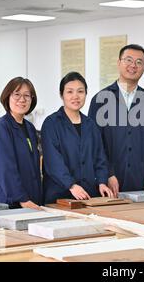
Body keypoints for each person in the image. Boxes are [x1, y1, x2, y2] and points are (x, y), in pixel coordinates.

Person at [88, 44, 144, 196]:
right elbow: (95, 143)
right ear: (118, 63)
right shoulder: (100, 100)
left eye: (139, 62)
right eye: (128, 60)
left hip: (142, 183)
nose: (133, 65)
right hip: (109, 184)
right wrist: (107, 174)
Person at [41, 72, 113, 203]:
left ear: (86, 94)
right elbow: (53, 162)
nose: (75, 96)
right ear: (61, 94)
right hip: (59, 195)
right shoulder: (51, 123)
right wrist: (71, 185)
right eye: (69, 92)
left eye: (80, 91)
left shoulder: (90, 125)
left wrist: (102, 182)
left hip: (88, 194)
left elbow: (100, 158)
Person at [0, 77, 42, 209]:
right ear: (7, 96)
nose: (22, 99)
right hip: (7, 203)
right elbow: (4, 169)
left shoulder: (30, 128)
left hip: (29, 202)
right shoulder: (1, 128)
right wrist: (22, 199)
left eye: (27, 95)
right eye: (17, 94)